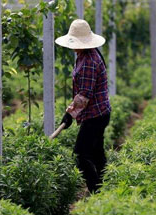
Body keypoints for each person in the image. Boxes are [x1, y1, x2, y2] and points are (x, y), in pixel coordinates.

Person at [55, 19, 111, 193]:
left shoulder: (88, 61)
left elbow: (84, 95)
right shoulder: (85, 55)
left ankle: (96, 191)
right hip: (98, 112)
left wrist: (70, 114)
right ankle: (106, 187)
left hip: (95, 115)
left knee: (81, 155)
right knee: (96, 153)